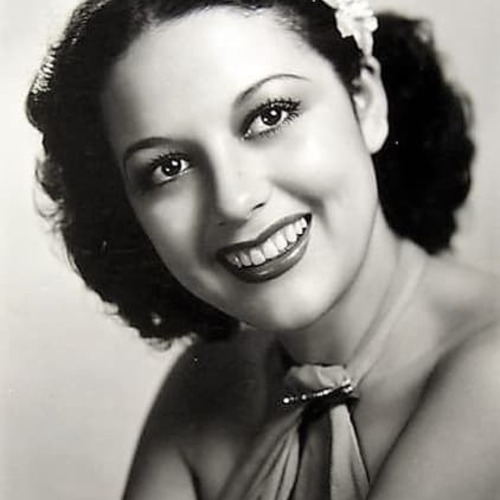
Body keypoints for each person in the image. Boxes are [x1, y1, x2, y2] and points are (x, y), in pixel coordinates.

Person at [26, 0, 500, 498]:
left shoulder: (489, 371)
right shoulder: (205, 389)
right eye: (169, 167)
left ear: (364, 102)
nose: (234, 200)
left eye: (270, 116)